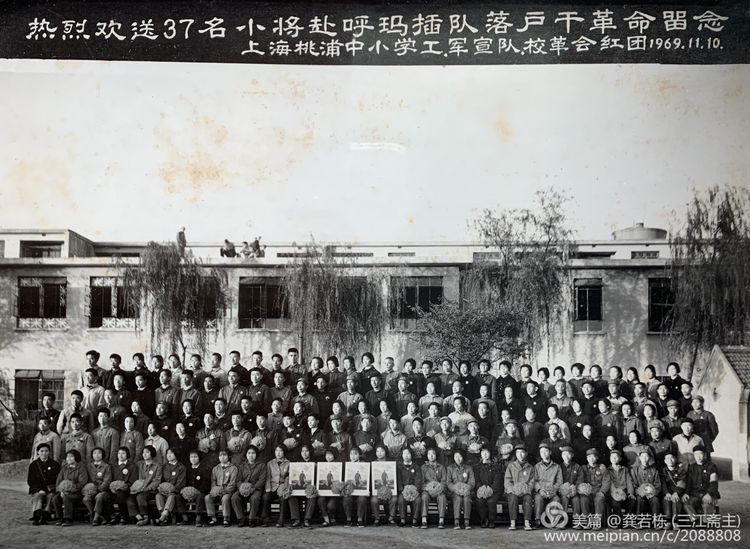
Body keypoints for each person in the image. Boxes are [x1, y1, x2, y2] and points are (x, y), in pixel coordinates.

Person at [231, 445, 267, 527]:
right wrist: (241, 488)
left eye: (253, 453)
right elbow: (238, 480)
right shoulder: (241, 466)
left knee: (254, 498)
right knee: (234, 497)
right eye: (249, 453)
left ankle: (251, 519)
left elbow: (262, 480)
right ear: (246, 454)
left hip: (255, 488)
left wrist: (253, 488)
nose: (251, 455)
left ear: (256, 454)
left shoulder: (261, 465)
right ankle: (241, 518)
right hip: (243, 488)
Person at [127, 445, 162, 526]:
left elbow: (157, 481)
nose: (144, 454)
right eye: (143, 452)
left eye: (147, 452)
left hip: (150, 490)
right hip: (137, 489)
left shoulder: (157, 466)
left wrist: (147, 488)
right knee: (129, 499)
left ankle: (145, 517)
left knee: (140, 497)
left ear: (152, 453)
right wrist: (135, 487)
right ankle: (139, 517)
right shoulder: (138, 464)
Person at [52, 449, 89, 526]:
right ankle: (59, 518)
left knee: (67, 498)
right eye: (67, 457)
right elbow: (58, 481)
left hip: (77, 492)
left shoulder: (81, 469)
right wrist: (61, 491)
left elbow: (82, 483)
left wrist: (70, 490)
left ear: (76, 458)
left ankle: (68, 519)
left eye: (71, 457)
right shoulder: (64, 468)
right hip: (63, 492)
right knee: (55, 498)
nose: (69, 458)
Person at [682, 445, 720, 519]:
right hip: (695, 494)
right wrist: (686, 493)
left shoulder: (712, 466)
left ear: (705, 455)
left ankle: (707, 520)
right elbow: (689, 482)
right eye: (696, 454)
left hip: (707, 493)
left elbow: (714, 482)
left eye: (700, 454)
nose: (698, 457)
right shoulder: (691, 467)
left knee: (707, 504)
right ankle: (695, 520)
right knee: (686, 502)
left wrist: (709, 494)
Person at [27, 442, 60, 525]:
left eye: (46, 451)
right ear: (38, 452)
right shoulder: (33, 465)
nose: (44, 453)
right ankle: (36, 516)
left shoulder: (55, 464)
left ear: (49, 452)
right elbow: (30, 481)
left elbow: (58, 479)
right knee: (38, 496)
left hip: (51, 489)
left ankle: (45, 516)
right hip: (37, 489)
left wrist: (50, 489)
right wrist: (39, 489)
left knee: (50, 496)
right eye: (41, 451)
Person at [262, 445, 295, 527]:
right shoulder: (270, 463)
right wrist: (268, 489)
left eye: (281, 451)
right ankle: (266, 520)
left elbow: (290, 477)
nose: (278, 453)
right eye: (276, 451)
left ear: (284, 452)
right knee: (266, 497)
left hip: (282, 487)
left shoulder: (288, 463)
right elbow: (268, 478)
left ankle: (281, 520)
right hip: (272, 487)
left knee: (283, 498)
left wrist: (285, 483)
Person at [205, 449, 238, 527]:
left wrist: (224, 491)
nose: (222, 457)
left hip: (227, 491)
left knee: (225, 498)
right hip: (217, 491)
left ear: (228, 456)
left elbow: (232, 483)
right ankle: (213, 518)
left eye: (224, 455)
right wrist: (215, 490)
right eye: (220, 455)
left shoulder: (233, 468)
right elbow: (213, 481)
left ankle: (226, 518)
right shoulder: (215, 468)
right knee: (207, 497)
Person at [533, 442, 563, 527]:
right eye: (541, 452)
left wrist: (553, 491)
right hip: (541, 491)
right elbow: (534, 481)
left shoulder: (557, 467)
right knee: (538, 499)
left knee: (556, 499)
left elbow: (559, 482)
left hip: (552, 491)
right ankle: (538, 520)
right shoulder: (537, 466)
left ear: (550, 452)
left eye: (546, 451)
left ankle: (553, 520)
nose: (543, 453)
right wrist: (539, 490)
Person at [155, 447, 186, 525]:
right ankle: (164, 518)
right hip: (164, 492)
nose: (169, 455)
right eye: (167, 453)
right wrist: (162, 489)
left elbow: (180, 483)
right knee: (158, 496)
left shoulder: (181, 467)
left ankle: (164, 516)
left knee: (171, 496)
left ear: (176, 454)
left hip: (174, 491)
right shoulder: (164, 467)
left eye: (171, 453)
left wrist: (172, 490)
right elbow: (161, 480)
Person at [474, 447, 502, 528]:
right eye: (483, 453)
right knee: (480, 501)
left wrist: (491, 489)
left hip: (493, 491)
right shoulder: (477, 467)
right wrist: (481, 489)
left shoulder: (496, 466)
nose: (485, 454)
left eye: (487, 452)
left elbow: (497, 480)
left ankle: (491, 520)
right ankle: (483, 520)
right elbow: (476, 480)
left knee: (491, 501)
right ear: (480, 454)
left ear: (490, 454)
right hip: (481, 490)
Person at [446, 448, 474, 530]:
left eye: (460, 456)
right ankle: (456, 521)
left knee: (467, 499)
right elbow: (448, 482)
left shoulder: (469, 468)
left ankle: (466, 521)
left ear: (463, 457)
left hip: (466, 491)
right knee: (457, 499)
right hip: (455, 491)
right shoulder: (450, 468)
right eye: (456, 457)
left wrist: (466, 488)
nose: (458, 459)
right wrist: (455, 489)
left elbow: (472, 482)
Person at [84, 447, 112, 525]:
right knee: (86, 499)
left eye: (99, 453)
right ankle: (100, 517)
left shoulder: (106, 466)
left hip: (103, 490)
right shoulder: (88, 466)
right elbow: (86, 479)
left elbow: (107, 481)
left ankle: (95, 518)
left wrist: (99, 489)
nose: (97, 455)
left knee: (99, 497)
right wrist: (90, 489)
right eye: (95, 453)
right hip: (91, 490)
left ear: (102, 455)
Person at [420, 446, 447, 528]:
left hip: (439, 490)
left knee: (442, 497)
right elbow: (422, 481)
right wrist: (427, 488)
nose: (431, 456)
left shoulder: (441, 467)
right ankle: (424, 519)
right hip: (427, 490)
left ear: (436, 455)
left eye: (433, 454)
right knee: (424, 497)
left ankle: (441, 519)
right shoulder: (423, 467)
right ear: (427, 456)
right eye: (429, 454)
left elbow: (444, 481)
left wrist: (439, 488)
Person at [109, 447, 137, 525]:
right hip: (113, 488)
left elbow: (133, 480)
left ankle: (123, 516)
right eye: (119, 453)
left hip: (127, 488)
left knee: (120, 494)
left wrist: (123, 486)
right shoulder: (113, 466)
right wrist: (113, 487)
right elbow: (110, 478)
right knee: (105, 495)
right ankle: (112, 517)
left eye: (123, 453)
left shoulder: (132, 466)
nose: (120, 455)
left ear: (127, 454)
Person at [396, 447, 423, 528]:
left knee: (418, 500)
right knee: (401, 499)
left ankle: (415, 520)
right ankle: (402, 520)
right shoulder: (399, 467)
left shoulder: (416, 466)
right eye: (404, 454)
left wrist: (415, 490)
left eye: (408, 453)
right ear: (402, 455)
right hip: (403, 491)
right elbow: (398, 480)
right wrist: (402, 490)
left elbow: (418, 480)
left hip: (414, 490)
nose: (406, 456)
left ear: (411, 455)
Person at [630, 448, 662, 516]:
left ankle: (656, 519)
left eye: (646, 456)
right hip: (639, 494)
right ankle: (638, 519)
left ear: (649, 458)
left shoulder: (654, 471)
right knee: (639, 500)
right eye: (642, 456)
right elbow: (633, 484)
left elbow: (658, 485)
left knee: (655, 500)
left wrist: (652, 492)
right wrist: (640, 492)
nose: (644, 459)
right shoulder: (634, 470)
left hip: (651, 494)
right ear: (639, 458)